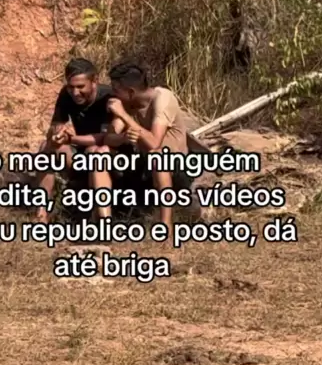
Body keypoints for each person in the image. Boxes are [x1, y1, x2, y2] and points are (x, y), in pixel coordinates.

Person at [90, 61, 207, 233]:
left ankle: (165, 226)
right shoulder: (128, 104)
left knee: (157, 156)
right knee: (100, 153)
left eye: (116, 90)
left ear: (131, 92)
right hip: (144, 170)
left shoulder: (162, 98)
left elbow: (154, 142)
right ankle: (103, 223)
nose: (113, 94)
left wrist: (123, 115)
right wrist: (123, 137)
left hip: (175, 168)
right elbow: (108, 139)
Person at [35, 57, 112, 222]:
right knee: (46, 148)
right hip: (80, 154)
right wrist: (57, 135)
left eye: (80, 87)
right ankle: (42, 214)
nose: (75, 93)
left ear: (95, 81)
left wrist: (73, 139)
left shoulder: (107, 97)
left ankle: (96, 218)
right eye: (71, 87)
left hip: (108, 157)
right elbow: (55, 126)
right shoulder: (66, 94)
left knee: (94, 151)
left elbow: (106, 138)